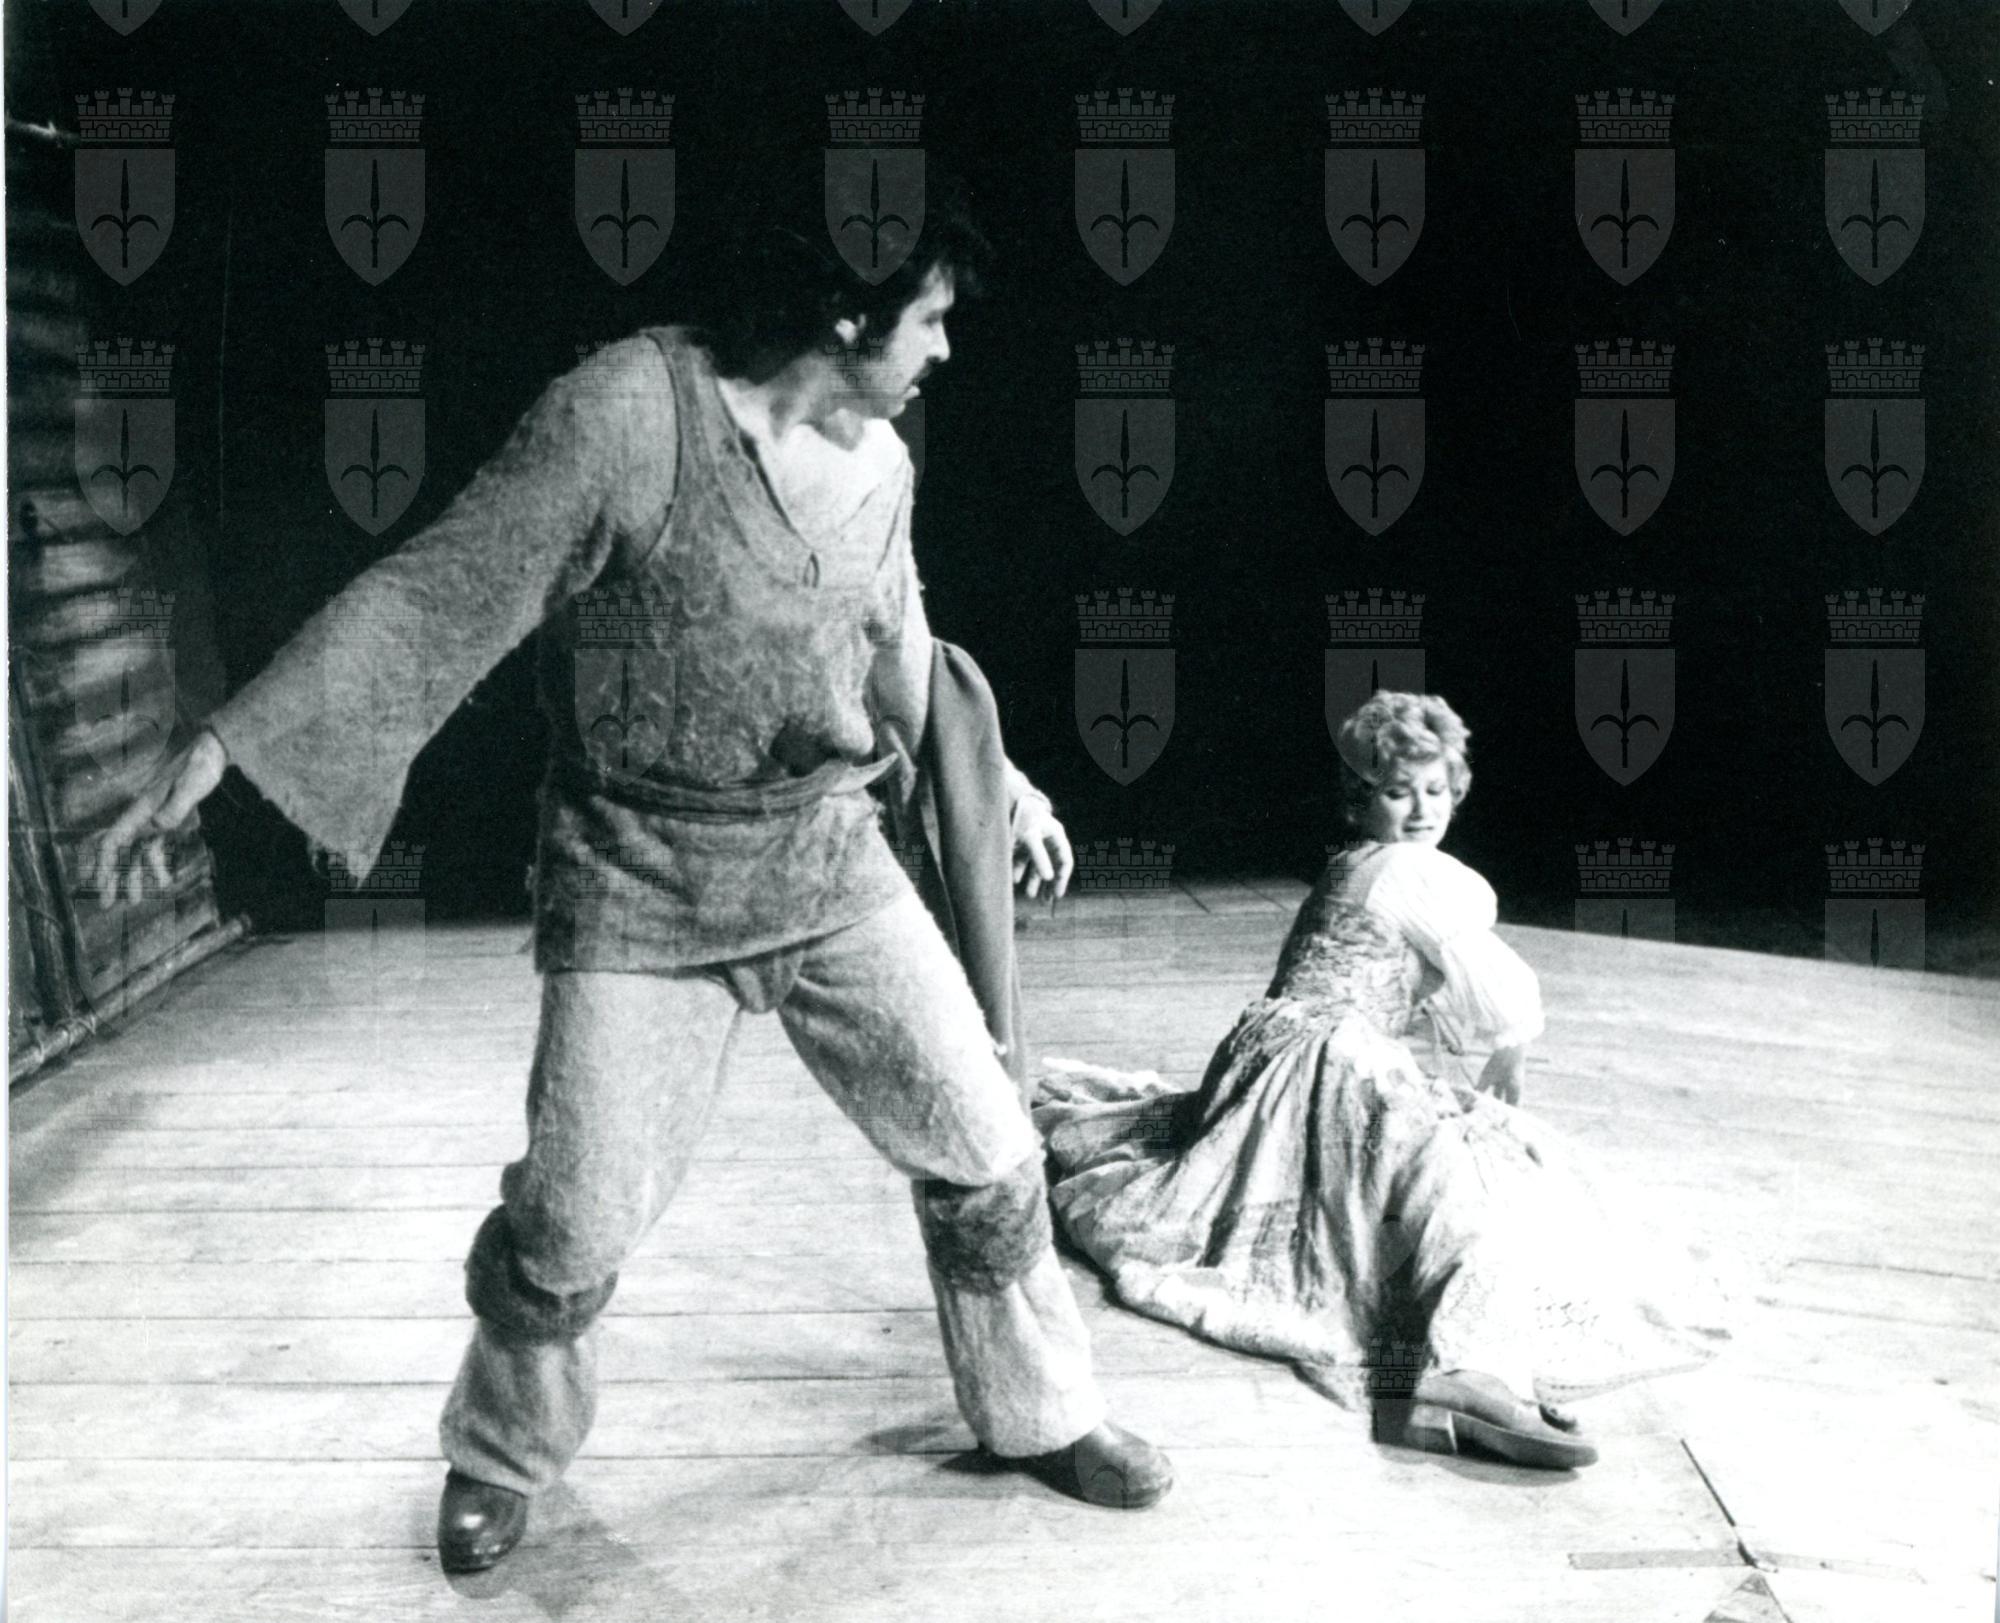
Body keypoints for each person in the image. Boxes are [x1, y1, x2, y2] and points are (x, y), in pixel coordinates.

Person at [88, 185, 1173, 1576]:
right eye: (932, 319)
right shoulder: (626, 417)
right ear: (848, 315)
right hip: (640, 877)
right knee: (572, 1213)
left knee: (984, 1135)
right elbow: (445, 586)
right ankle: (498, 1455)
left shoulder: (883, 459)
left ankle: (1042, 1411)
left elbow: (891, 634)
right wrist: (229, 743)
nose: (947, 351)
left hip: (824, 857)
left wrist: (997, 780)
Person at [1034, 692, 1725, 1471]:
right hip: (1339, 1058)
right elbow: (1502, 988)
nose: (1421, 808)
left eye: (1436, 789)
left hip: (1270, 1058)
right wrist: (1512, 1049)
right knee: (1460, 1174)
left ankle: (1475, 1357)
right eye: (1398, 791)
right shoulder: (1412, 869)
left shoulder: (1349, 864)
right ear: (1362, 800)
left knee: (1415, 1178)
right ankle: (1467, 1371)